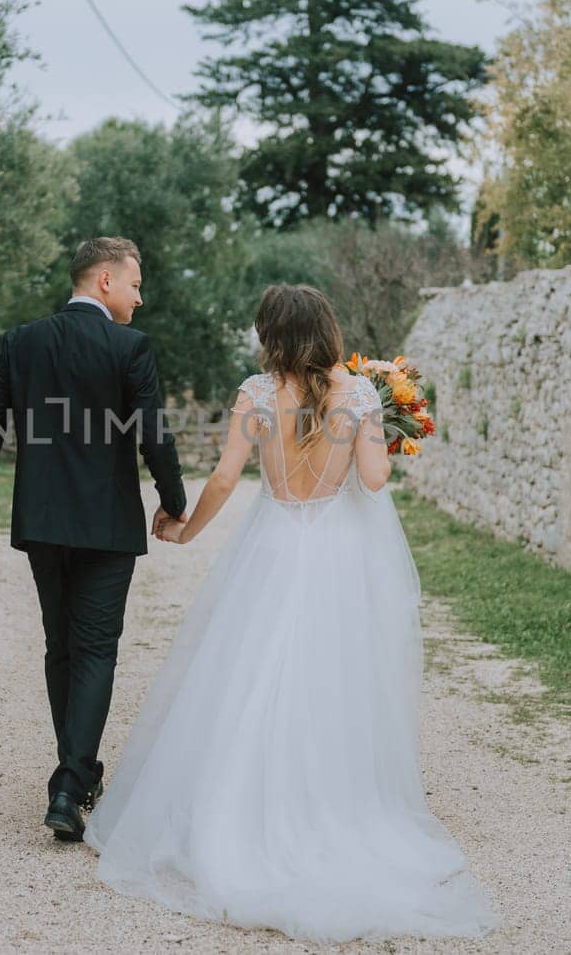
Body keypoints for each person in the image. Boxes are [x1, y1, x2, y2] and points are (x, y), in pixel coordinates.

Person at [83, 283, 502, 943]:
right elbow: (373, 481)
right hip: (334, 554)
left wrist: (187, 532)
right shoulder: (359, 394)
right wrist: (379, 426)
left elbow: (224, 480)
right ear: (327, 330)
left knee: (246, 675)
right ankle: (328, 805)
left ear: (272, 334)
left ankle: (238, 809)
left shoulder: (256, 394)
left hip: (274, 545)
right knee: (331, 681)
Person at [0, 236, 188, 842]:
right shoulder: (130, 347)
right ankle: (71, 784)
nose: (140, 295)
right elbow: (154, 434)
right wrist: (173, 502)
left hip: (45, 524)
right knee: (97, 650)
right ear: (104, 281)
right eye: (135, 283)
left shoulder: (21, 343)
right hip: (107, 528)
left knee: (62, 647)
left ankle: (75, 776)